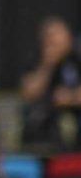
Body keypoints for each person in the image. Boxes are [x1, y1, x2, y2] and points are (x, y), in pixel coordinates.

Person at [20, 15, 81, 148]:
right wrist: (47, 65)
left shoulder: (76, 57)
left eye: (57, 35)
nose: (53, 41)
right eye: (49, 37)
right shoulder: (38, 59)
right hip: (48, 123)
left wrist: (71, 97)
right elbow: (28, 93)